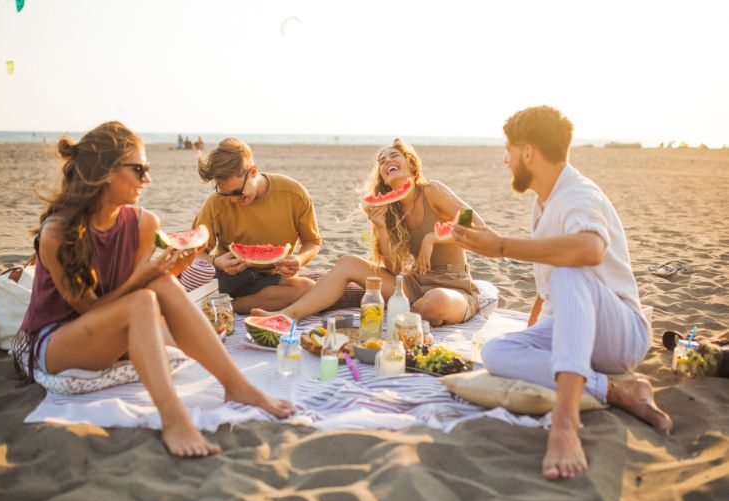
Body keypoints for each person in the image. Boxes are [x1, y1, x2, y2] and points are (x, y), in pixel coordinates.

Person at [12, 122, 293, 458]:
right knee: (145, 296)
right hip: (56, 341)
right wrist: (141, 280)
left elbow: (139, 292)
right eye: (139, 169)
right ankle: (173, 418)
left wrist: (170, 271)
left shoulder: (144, 223)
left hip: (112, 332)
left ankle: (237, 386)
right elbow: (89, 309)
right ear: (105, 172)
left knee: (159, 285)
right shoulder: (57, 233)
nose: (147, 179)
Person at [451, 106, 672, 480]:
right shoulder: (544, 204)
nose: (505, 159)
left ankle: (565, 424)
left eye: (509, 149)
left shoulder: (578, 194)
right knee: (497, 350)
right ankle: (620, 392)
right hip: (580, 331)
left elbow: (589, 251)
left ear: (527, 153)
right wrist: (530, 333)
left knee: (571, 272)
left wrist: (501, 246)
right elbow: (548, 291)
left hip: (622, 335)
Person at [252, 138, 482, 326]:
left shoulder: (432, 190)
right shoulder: (389, 209)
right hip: (413, 286)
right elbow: (394, 269)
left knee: (435, 303)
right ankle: (287, 316)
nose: (387, 161)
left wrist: (432, 238)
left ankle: (413, 313)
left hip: (453, 286)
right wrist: (381, 226)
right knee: (348, 262)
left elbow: (474, 220)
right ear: (382, 175)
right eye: (382, 161)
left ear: (411, 164)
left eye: (394, 156)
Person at [192, 137, 321, 313]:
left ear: (253, 171)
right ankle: (220, 304)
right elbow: (194, 253)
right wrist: (216, 261)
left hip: (270, 278)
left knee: (307, 288)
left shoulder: (294, 194)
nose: (233, 199)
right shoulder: (215, 203)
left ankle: (228, 307)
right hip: (227, 276)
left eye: (237, 192)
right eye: (225, 193)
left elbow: (312, 242)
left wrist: (299, 259)